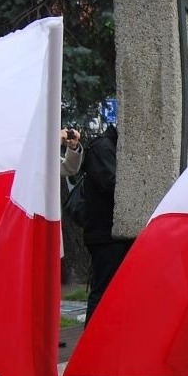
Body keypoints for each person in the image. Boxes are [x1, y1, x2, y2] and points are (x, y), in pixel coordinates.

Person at [79, 125, 131, 322]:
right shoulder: (103, 147)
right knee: (102, 292)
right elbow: (111, 184)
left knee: (115, 293)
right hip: (105, 233)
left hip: (114, 232)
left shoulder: (113, 147)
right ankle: (90, 347)